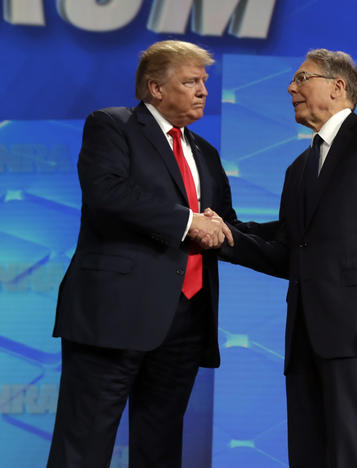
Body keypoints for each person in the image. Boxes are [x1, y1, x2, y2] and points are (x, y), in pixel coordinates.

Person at [219, 48, 357, 468]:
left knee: (352, 451)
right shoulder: (299, 167)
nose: (290, 87)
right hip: (305, 331)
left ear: (338, 87)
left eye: (301, 78)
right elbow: (290, 249)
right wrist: (225, 238)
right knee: (308, 453)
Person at [48, 40, 240, 467]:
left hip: (186, 318)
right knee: (83, 444)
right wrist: (191, 223)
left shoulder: (205, 153)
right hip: (112, 316)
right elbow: (109, 193)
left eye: (204, 81)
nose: (203, 90)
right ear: (155, 88)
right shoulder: (111, 126)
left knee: (161, 447)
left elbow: (223, 222)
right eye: (191, 81)